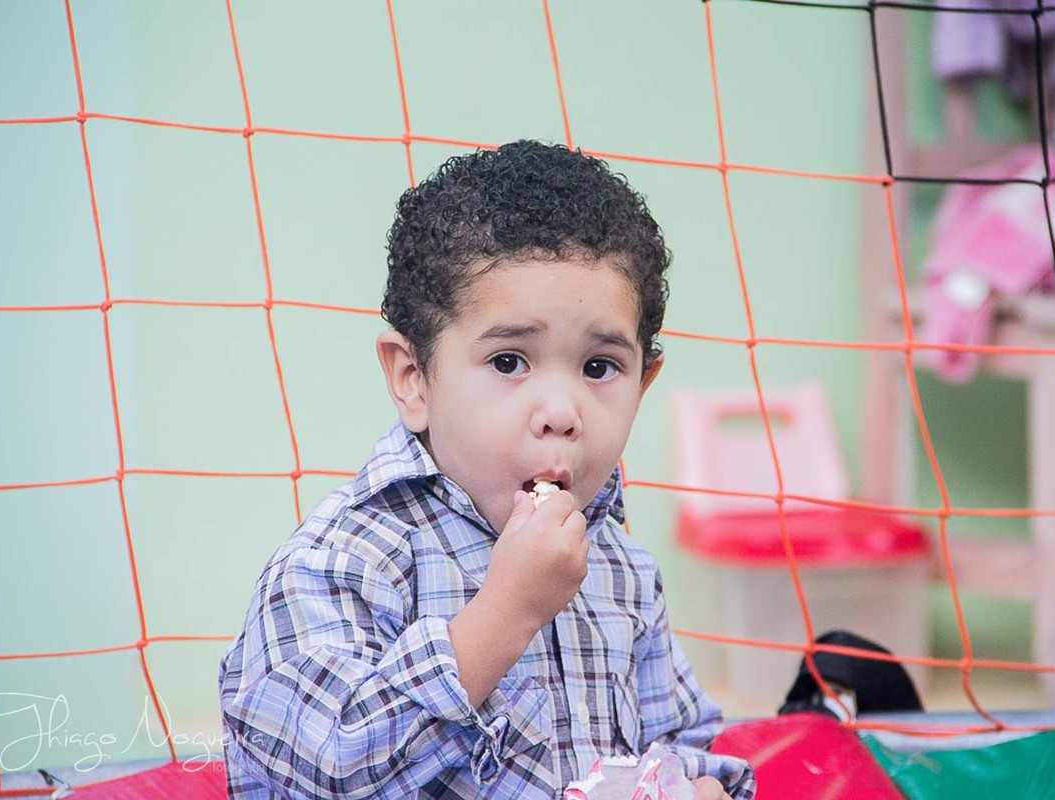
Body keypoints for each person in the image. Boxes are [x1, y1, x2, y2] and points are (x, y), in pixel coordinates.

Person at [218, 140, 756, 799]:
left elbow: (679, 744)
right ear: (414, 377)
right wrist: (504, 613)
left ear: (643, 382)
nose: (562, 412)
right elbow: (325, 768)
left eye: (598, 368)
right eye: (509, 362)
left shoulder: (621, 567)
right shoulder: (342, 563)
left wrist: (699, 788)